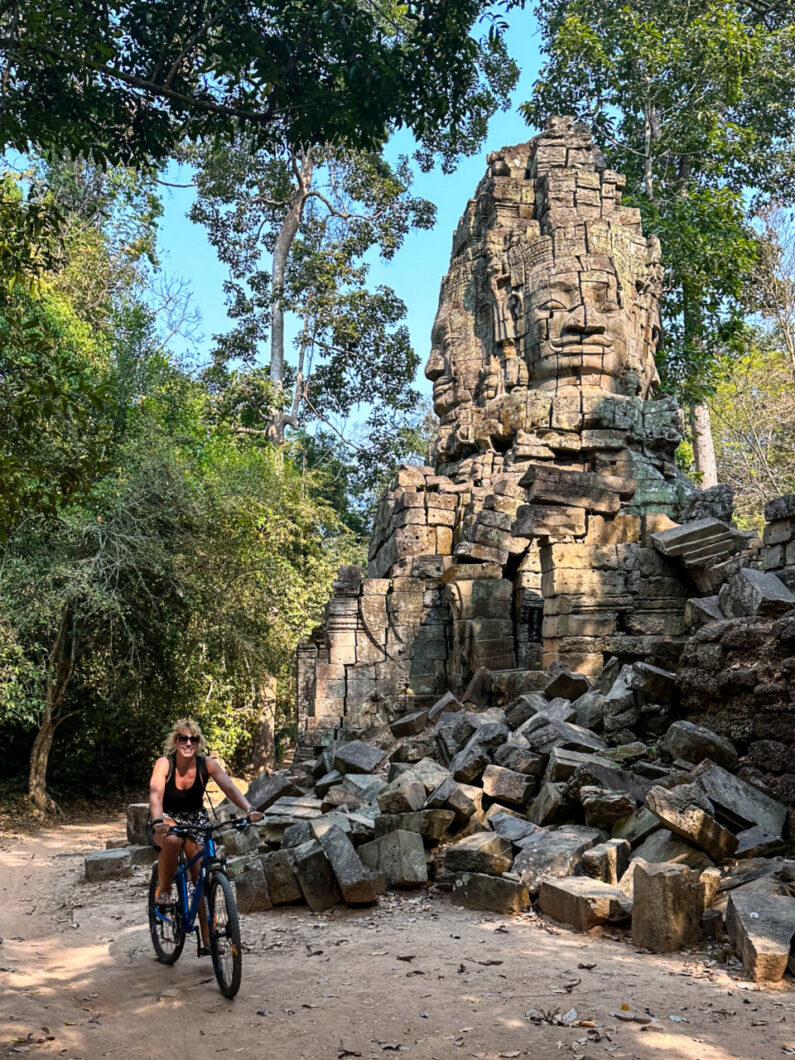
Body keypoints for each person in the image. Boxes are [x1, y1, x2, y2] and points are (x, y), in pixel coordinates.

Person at [148, 718, 263, 909]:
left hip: (196, 819)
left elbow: (230, 789)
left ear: (198, 743)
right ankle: (165, 890)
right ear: (175, 742)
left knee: (200, 877)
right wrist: (158, 820)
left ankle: (208, 927)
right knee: (173, 840)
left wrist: (250, 809)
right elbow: (155, 796)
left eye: (193, 739)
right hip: (167, 817)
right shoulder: (164, 763)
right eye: (183, 739)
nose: (188, 743)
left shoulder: (206, 764)